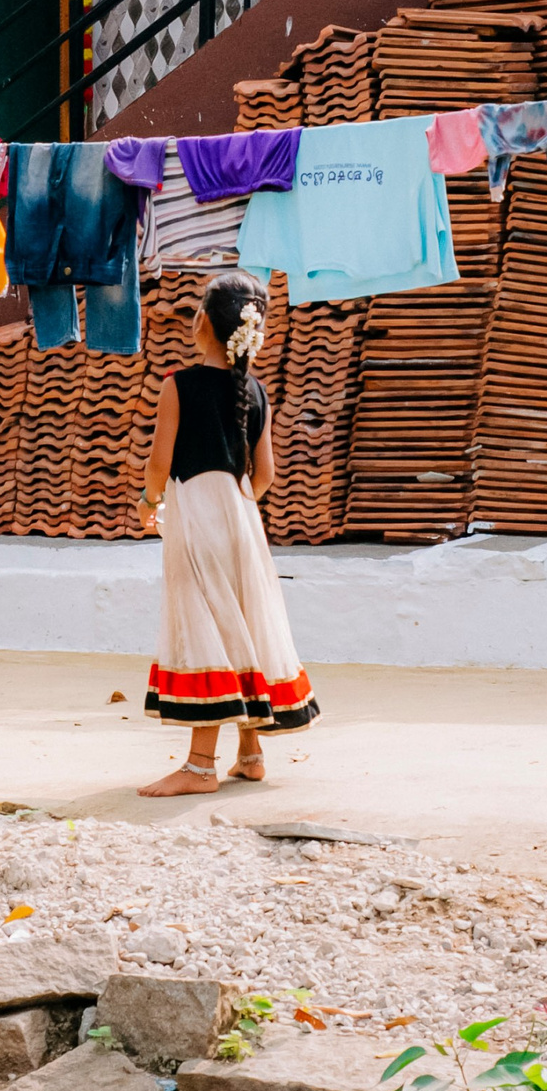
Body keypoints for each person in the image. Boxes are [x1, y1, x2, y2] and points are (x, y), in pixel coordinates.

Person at [133, 270, 319, 796]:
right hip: (242, 520)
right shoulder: (255, 390)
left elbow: (157, 464)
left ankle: (197, 767)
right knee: (241, 622)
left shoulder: (178, 385)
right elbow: (264, 477)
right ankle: (251, 752)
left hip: (197, 516)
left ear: (202, 325)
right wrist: (235, 508)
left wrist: (151, 504)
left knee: (206, 625)